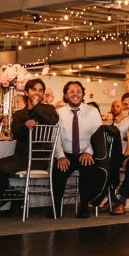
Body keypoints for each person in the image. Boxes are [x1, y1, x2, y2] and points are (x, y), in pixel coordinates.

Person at [0, 78, 59, 207]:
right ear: (27, 92)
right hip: (21, 156)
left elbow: (53, 121)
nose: (37, 93)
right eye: (34, 90)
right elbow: (15, 132)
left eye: (40, 90)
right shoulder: (19, 114)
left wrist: (37, 106)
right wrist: (25, 125)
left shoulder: (49, 109)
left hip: (39, 158)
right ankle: (15, 196)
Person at [51, 81, 106, 217]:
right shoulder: (58, 113)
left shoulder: (92, 112)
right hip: (66, 153)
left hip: (85, 152)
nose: (75, 94)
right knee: (57, 172)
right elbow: (55, 137)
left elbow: (97, 135)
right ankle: (55, 208)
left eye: (78, 91)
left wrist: (88, 152)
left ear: (82, 94)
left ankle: (84, 208)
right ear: (65, 95)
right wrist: (60, 156)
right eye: (71, 91)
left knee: (88, 170)